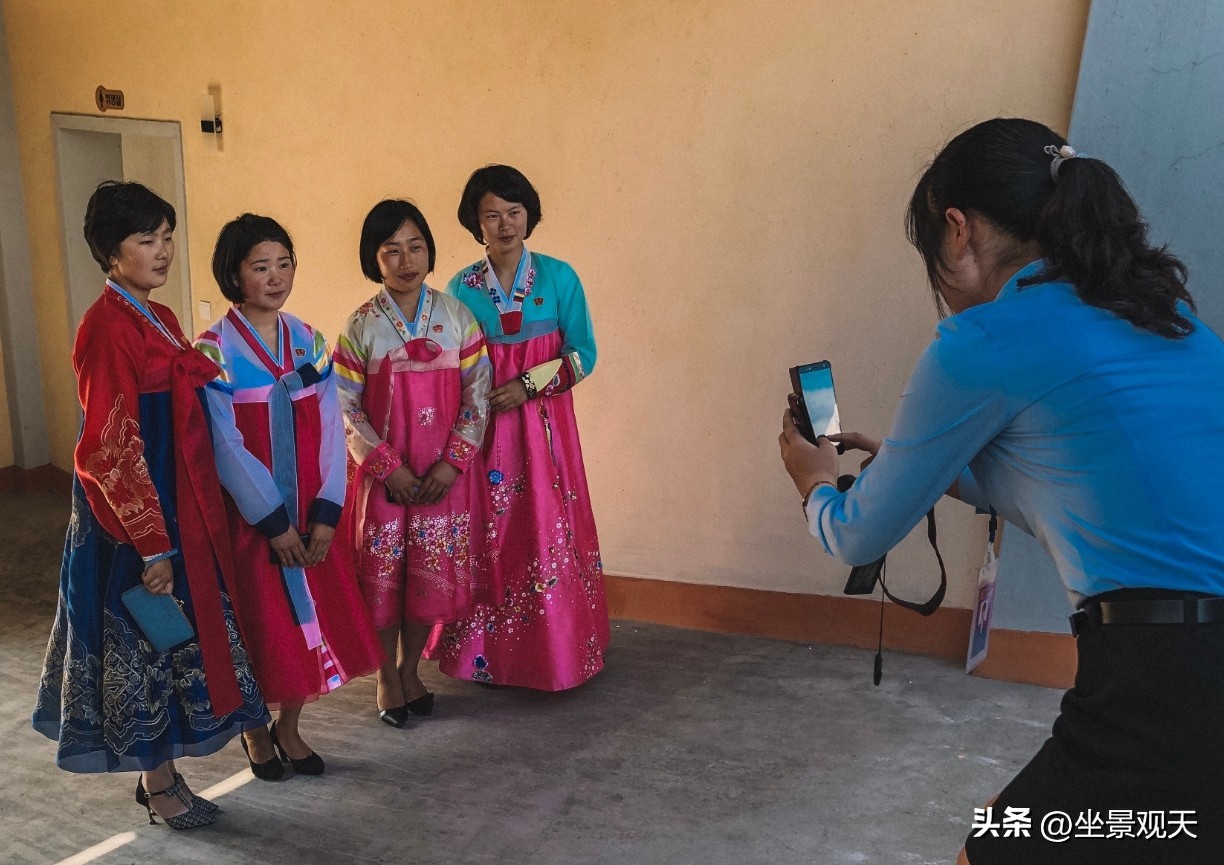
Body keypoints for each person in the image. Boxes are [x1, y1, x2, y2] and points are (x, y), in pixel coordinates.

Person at [778, 118, 1224, 865]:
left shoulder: (984, 342)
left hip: (1167, 680)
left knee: (1000, 842)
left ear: (958, 230)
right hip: (1182, 668)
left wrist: (814, 483)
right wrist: (909, 465)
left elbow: (856, 534)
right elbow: (1078, 486)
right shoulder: (1163, 314)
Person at [31, 181, 268, 829]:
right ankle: (157, 781)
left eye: (166, 236)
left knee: (175, 638)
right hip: (130, 521)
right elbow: (108, 448)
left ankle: (161, 774)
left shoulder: (156, 316)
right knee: (147, 642)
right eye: (146, 240)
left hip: (176, 509)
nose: (163, 250)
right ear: (112, 254)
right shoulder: (104, 328)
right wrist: (150, 544)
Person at [195, 214, 383, 778]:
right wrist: (272, 522)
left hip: (308, 512)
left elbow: (331, 428)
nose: (275, 277)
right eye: (260, 267)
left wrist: (326, 513)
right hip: (252, 520)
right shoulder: (213, 350)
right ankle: (256, 730)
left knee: (312, 622)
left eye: (284, 264)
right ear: (234, 274)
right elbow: (224, 446)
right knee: (259, 624)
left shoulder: (310, 339)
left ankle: (290, 728)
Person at [439, 165, 609, 691]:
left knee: (547, 524)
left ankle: (559, 649)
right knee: (491, 530)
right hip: (485, 434)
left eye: (514, 212)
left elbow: (584, 355)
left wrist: (530, 386)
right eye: (492, 214)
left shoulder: (561, 278)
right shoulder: (460, 288)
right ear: (476, 222)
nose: (505, 224)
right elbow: (452, 366)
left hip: (546, 431)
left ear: (529, 216)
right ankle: (483, 654)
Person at [334, 199, 492, 726]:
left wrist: (452, 464)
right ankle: (385, 675)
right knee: (383, 578)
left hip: (441, 478)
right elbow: (344, 405)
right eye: (391, 250)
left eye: (416, 247)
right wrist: (386, 467)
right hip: (385, 479)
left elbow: (479, 396)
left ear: (430, 251)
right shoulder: (360, 326)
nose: (406, 260)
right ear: (372, 259)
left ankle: (410, 669)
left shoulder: (458, 318)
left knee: (430, 576)